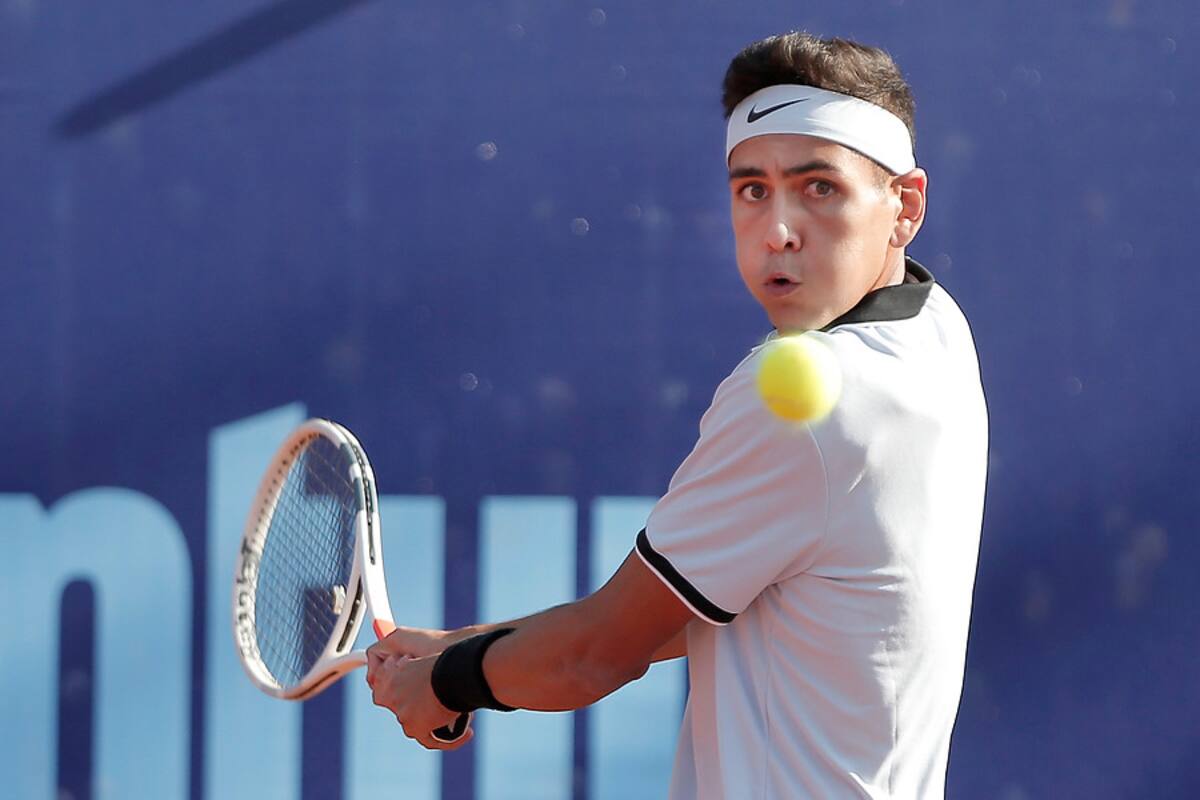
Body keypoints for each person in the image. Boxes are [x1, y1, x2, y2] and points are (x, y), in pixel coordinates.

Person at [367, 30, 988, 799]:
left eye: (819, 187)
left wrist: (449, 684)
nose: (778, 230)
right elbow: (694, 605)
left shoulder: (810, 401)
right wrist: (463, 646)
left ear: (904, 206)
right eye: (752, 190)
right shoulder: (934, 330)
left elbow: (594, 655)